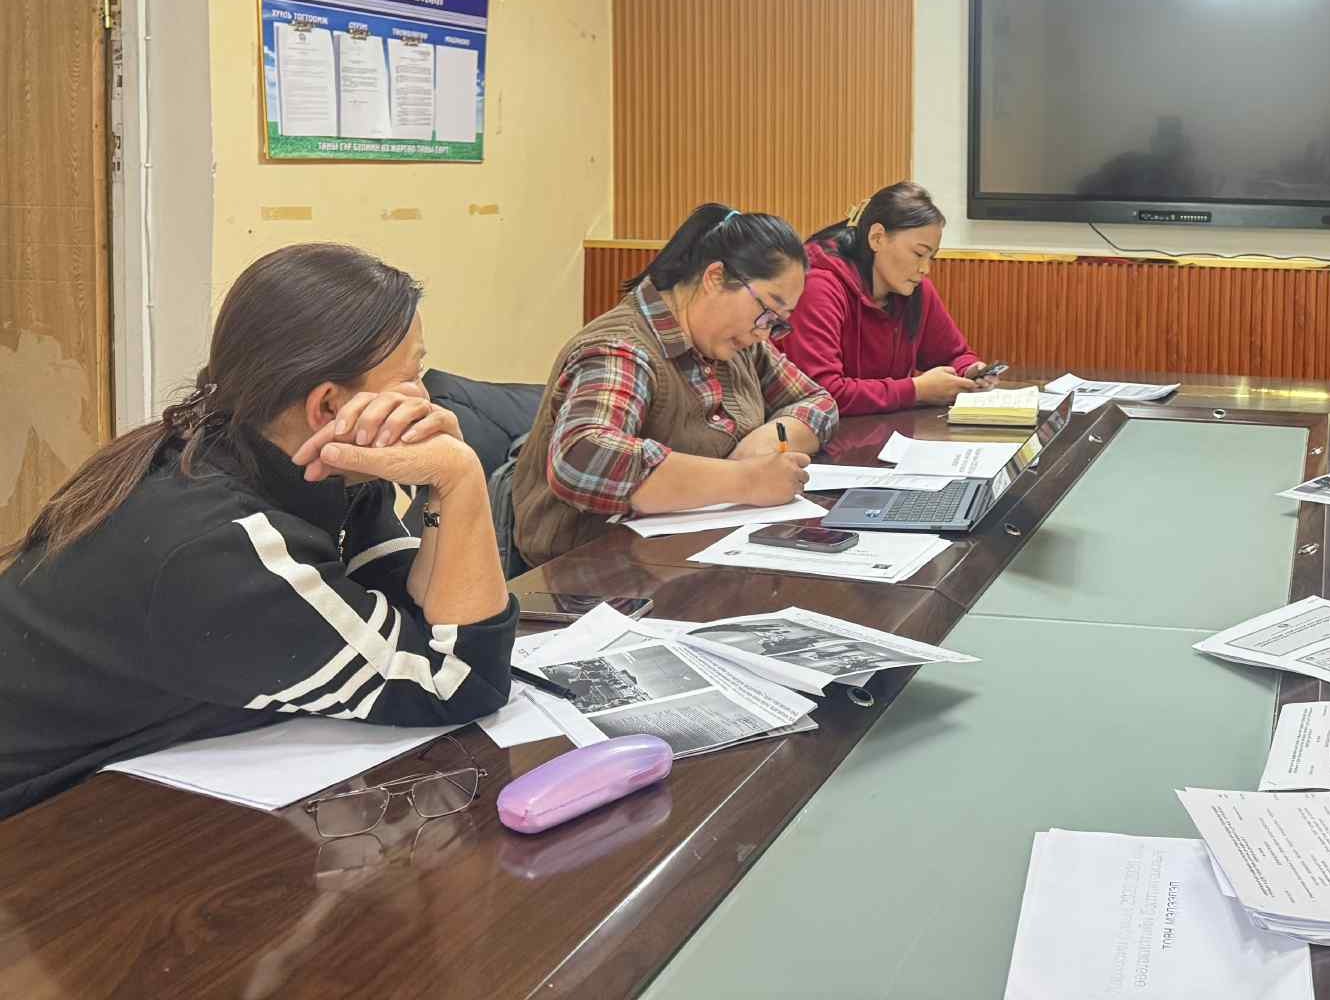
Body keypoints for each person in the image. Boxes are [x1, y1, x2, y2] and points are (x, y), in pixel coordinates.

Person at [0, 244, 516, 820]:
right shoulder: (225, 547)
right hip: (36, 832)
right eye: (411, 377)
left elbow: (412, 613)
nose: (425, 398)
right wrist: (462, 479)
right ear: (328, 406)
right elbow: (459, 683)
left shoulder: (284, 463)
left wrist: (440, 492)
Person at [510, 204, 835, 567]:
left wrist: (767, 441)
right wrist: (744, 480)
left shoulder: (742, 344)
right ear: (715, 277)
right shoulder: (622, 348)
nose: (765, 331)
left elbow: (817, 402)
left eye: (777, 322)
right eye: (767, 311)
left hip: (695, 556)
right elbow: (585, 457)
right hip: (593, 571)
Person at [781, 182, 997, 416]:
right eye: (918, 253)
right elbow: (822, 394)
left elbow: (954, 355)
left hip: (887, 430)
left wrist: (970, 371)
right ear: (877, 238)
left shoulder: (916, 288)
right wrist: (915, 391)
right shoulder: (819, 287)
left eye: (931, 258)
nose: (925, 269)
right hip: (824, 432)